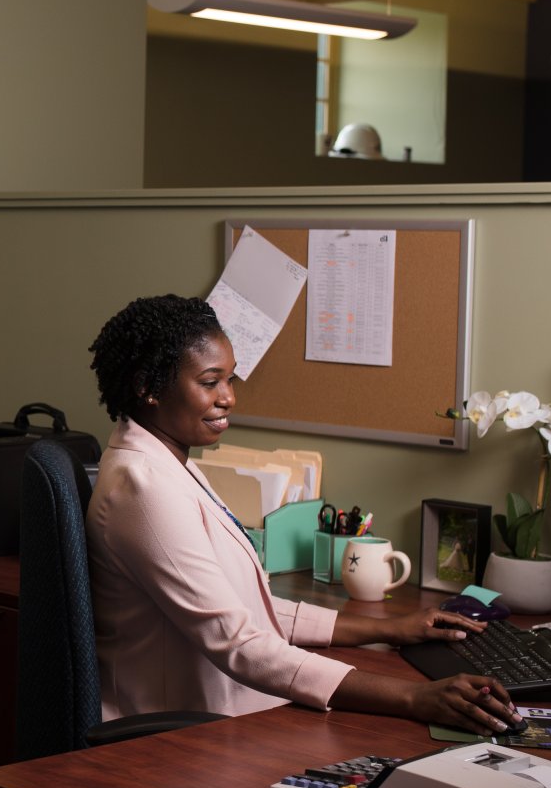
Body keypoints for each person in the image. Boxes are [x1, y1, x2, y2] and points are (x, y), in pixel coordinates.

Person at [85, 294, 519, 736]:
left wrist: (391, 629)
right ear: (147, 387)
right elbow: (238, 641)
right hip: (177, 737)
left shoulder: (172, 463)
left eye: (231, 379)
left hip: (225, 711)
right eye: (210, 382)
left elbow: (244, 607)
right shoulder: (144, 487)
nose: (229, 398)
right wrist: (414, 697)